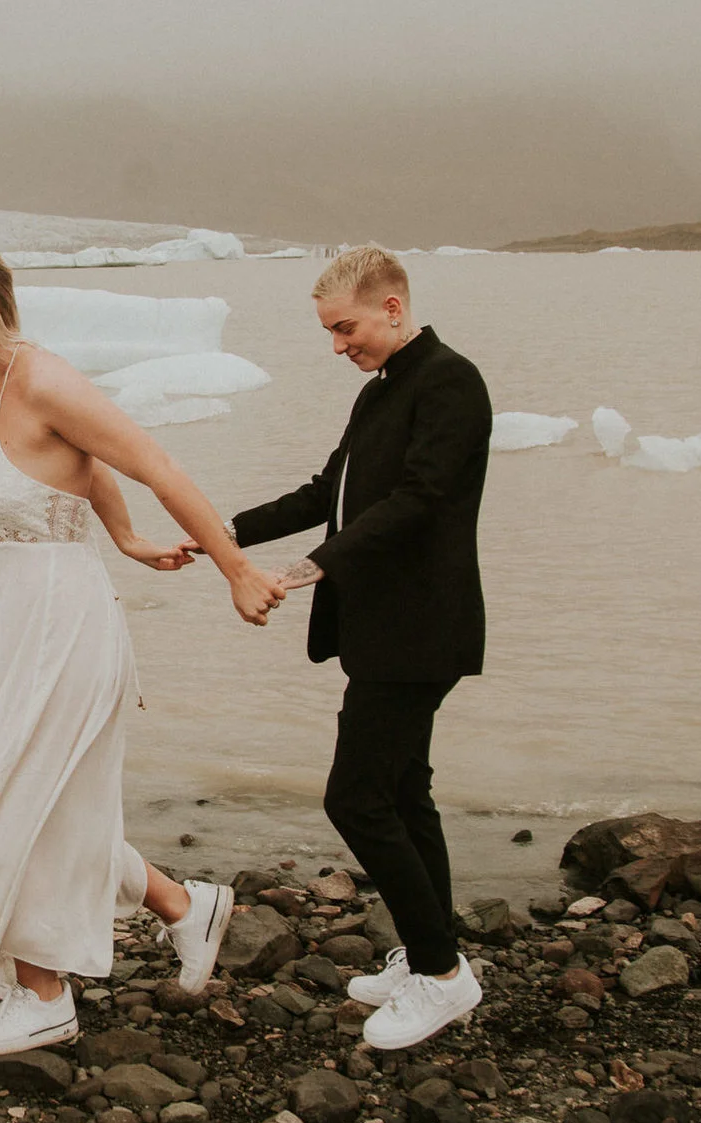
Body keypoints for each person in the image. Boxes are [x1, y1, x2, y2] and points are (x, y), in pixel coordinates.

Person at [0, 238, 283, 1060]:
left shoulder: (42, 377)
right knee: (18, 796)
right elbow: (75, 470)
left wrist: (234, 567)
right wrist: (123, 536)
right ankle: (186, 907)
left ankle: (44, 997)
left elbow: (150, 461)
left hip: (60, 621)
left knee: (22, 801)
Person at [206, 244, 492, 1050]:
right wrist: (218, 533)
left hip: (420, 629)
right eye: (330, 332)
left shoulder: (450, 382)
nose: (339, 345)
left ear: (393, 308)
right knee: (404, 793)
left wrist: (307, 570)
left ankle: (441, 977)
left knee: (356, 797)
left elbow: (420, 499)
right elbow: (321, 492)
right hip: (383, 629)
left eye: (346, 327)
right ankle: (433, 957)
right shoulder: (380, 394)